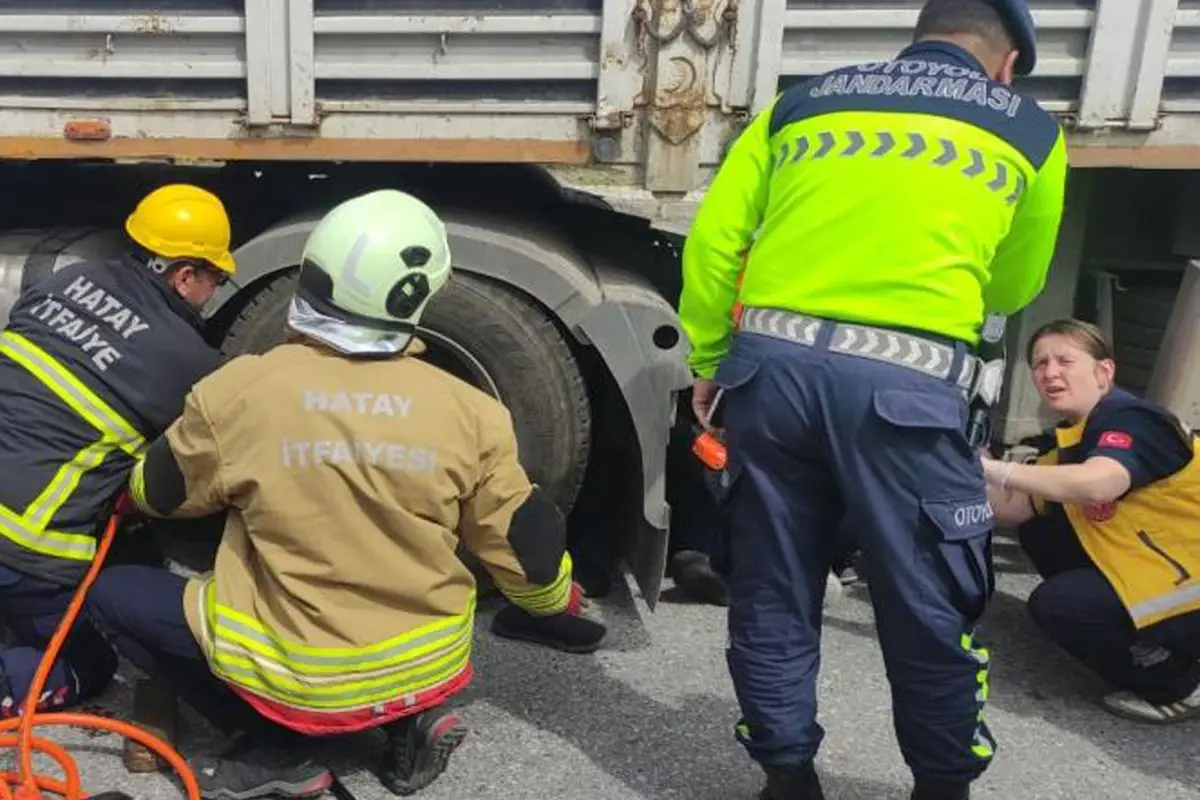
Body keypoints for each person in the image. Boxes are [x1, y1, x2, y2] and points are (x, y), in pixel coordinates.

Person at [84, 188, 607, 800]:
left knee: (112, 595)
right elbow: (525, 545)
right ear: (422, 294)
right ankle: (410, 720)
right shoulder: (473, 411)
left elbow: (159, 492)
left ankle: (276, 749)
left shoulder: (244, 390)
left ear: (312, 274)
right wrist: (553, 604)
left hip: (300, 675)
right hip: (425, 663)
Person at [676, 0, 1068, 796]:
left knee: (774, 585)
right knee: (929, 601)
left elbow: (717, 241)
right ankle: (942, 783)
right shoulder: (1028, 130)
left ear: (918, 34)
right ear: (1006, 63)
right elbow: (1016, 280)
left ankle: (787, 777)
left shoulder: (801, 102)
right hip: (911, 390)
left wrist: (713, 356)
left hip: (771, 377)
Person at [0, 183, 231, 718]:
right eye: (215, 277)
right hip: (26, 549)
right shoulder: (184, 362)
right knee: (88, 659)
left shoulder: (62, 281)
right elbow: (198, 471)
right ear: (185, 275)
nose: (213, 291)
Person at [983, 318, 1200, 724]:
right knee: (1041, 527)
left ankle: (1178, 684)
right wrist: (953, 466)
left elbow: (1100, 483)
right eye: (1040, 363)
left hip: (1191, 582)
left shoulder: (1134, 420)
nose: (1050, 372)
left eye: (1065, 360)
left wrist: (1000, 472)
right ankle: (1145, 635)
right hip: (1166, 568)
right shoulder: (1070, 439)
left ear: (1104, 371)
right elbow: (1013, 508)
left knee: (1061, 604)